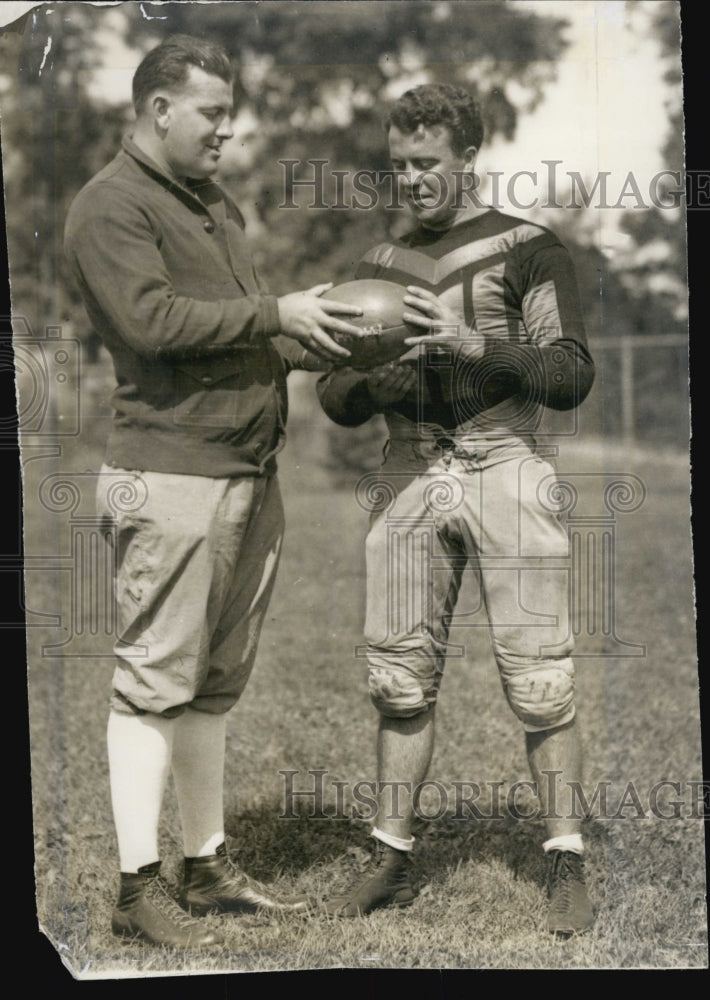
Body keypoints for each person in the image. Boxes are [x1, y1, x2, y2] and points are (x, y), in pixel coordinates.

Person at [64, 34, 365, 949]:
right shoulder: (109, 205)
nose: (227, 130)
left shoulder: (210, 203)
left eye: (228, 114)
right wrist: (277, 313)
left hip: (243, 472)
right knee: (154, 682)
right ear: (160, 109)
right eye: (212, 113)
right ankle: (134, 887)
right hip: (171, 475)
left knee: (210, 687)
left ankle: (203, 863)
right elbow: (151, 323)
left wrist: (319, 330)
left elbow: (236, 331)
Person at [316, 83, 596, 935]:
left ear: (468, 154)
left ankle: (566, 857)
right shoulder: (378, 266)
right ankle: (392, 854)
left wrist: (481, 346)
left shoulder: (529, 247)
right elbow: (333, 396)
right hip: (409, 466)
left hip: (506, 458)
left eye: (427, 163)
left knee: (542, 681)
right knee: (398, 678)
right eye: (399, 165)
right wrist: (377, 383)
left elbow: (574, 373)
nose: (412, 180)